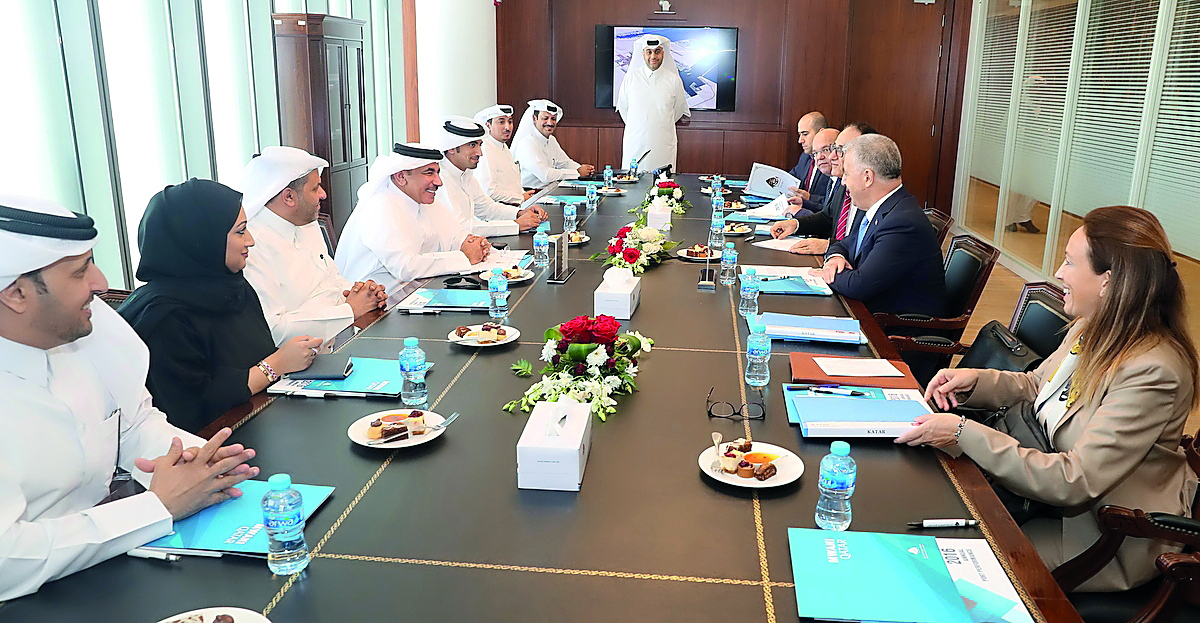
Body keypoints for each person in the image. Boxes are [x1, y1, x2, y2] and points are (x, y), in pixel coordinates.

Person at [897, 206, 1198, 593]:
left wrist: (961, 431)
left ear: (1109, 281)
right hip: (1041, 500)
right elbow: (1040, 385)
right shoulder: (1094, 325)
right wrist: (975, 382)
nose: (1058, 273)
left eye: (1071, 263)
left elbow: (1076, 480)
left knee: (946, 572)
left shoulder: (1153, 370)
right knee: (921, 519)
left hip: (1101, 534)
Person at [0, 195, 259, 600]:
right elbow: (8, 561)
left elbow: (134, 423)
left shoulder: (90, 327)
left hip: (112, 556)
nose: (101, 283)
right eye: (80, 272)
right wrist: (156, 507)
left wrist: (204, 463)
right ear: (15, 294)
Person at [119, 179, 322, 433]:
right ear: (203, 239)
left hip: (263, 423)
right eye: (240, 231)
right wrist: (276, 366)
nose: (251, 241)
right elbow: (193, 410)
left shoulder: (233, 288)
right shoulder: (164, 318)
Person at [237, 146, 386, 345]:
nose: (323, 194)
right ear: (289, 197)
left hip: (335, 341)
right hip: (290, 366)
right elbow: (274, 330)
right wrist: (351, 310)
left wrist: (364, 293)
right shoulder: (251, 245)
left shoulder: (306, 222)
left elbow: (331, 278)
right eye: (315, 188)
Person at [820, 134, 945, 318]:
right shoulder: (882, 208)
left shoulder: (903, 223)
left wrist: (827, 273)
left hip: (894, 333)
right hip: (870, 314)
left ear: (867, 177)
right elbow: (845, 244)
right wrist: (835, 258)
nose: (843, 181)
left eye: (846, 173)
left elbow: (859, 285)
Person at [335, 142, 492, 285]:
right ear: (401, 177)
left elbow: (455, 234)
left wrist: (471, 244)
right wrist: (465, 257)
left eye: (438, 172)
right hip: (384, 304)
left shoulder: (422, 199)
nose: (439, 182)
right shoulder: (380, 207)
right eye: (429, 173)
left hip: (419, 289)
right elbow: (406, 267)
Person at [432, 116, 548, 237]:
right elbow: (462, 227)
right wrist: (516, 225)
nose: (479, 153)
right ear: (451, 148)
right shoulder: (440, 179)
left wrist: (520, 213)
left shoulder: (465, 174)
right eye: (472, 145)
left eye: (479, 145)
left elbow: (486, 208)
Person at [771, 122, 875, 254]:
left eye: (841, 150)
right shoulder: (845, 186)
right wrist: (795, 224)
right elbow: (827, 218)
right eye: (834, 149)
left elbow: (865, 245)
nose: (832, 156)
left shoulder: (870, 193)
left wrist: (828, 245)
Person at [616, 34, 690, 173]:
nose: (653, 56)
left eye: (657, 51)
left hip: (663, 144)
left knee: (664, 188)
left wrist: (659, 124)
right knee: (632, 186)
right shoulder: (631, 78)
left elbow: (678, 111)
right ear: (642, 53)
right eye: (648, 52)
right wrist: (642, 126)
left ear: (663, 53)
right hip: (635, 143)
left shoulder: (674, 80)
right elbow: (624, 110)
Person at [512, 99, 595, 188]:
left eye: (553, 119)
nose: (550, 123)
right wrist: (577, 173)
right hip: (530, 194)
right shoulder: (526, 143)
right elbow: (546, 175)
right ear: (534, 119)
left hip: (549, 191)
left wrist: (581, 168)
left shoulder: (551, 140)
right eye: (545, 118)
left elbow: (564, 163)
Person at [474, 104, 537, 205]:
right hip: (497, 213)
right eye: (501, 122)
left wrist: (524, 196)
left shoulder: (502, 146)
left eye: (510, 122)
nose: (508, 127)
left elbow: (513, 183)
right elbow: (488, 191)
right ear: (488, 125)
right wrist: (520, 198)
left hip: (515, 206)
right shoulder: (485, 149)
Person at [785, 111, 831, 207]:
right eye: (800, 135)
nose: (800, 140)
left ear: (820, 133)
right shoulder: (805, 156)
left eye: (805, 134)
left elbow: (833, 205)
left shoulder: (831, 162)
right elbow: (789, 179)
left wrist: (810, 198)